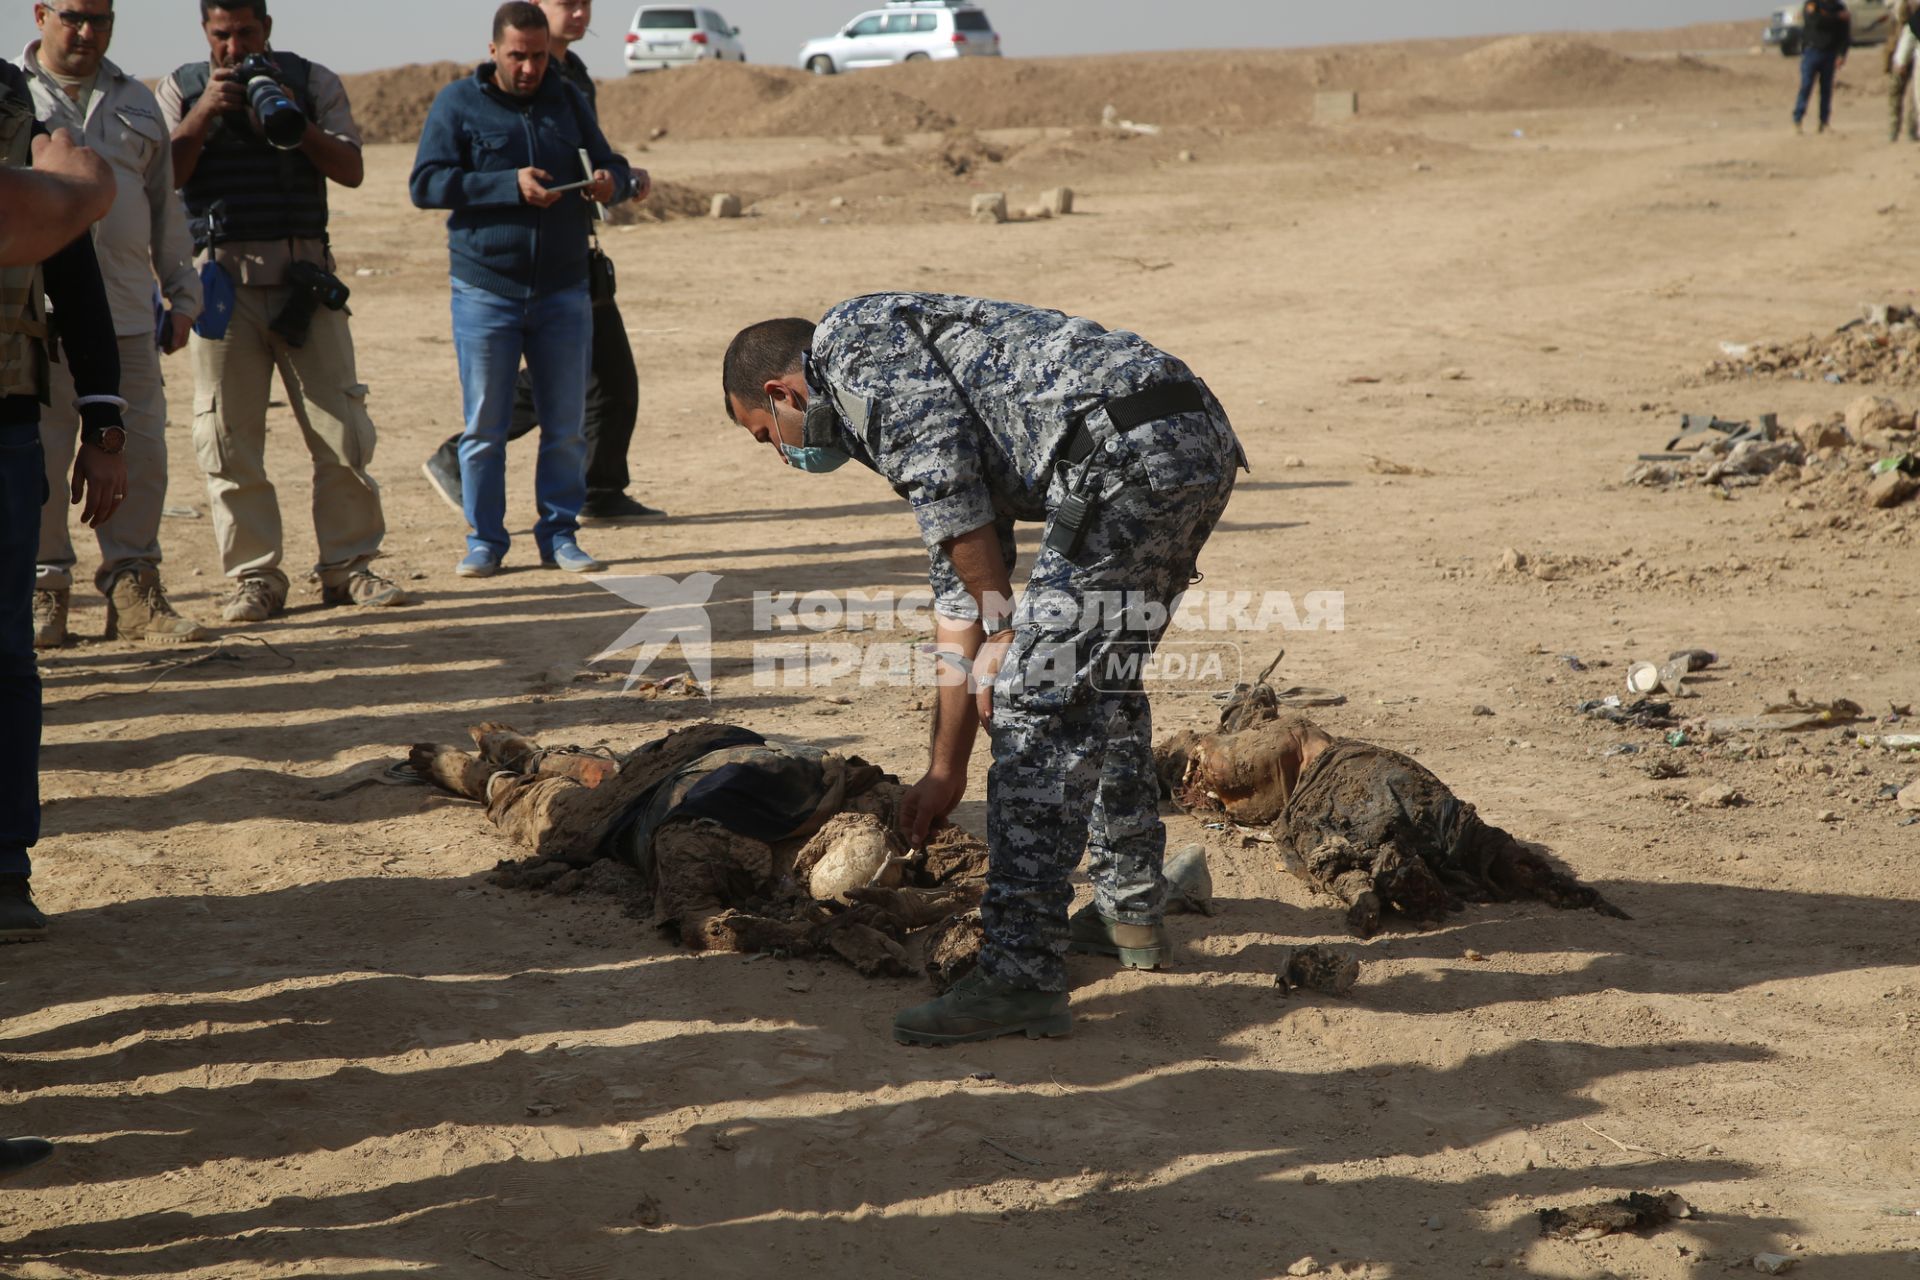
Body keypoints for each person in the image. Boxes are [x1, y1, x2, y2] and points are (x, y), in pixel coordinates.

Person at [721, 294, 1246, 1046]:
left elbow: (967, 556)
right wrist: (944, 770)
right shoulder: (893, 371)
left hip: (1125, 456)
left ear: (780, 393)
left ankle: (1020, 974)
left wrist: (1007, 634)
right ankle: (1129, 908)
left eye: (767, 436)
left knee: (1035, 700)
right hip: (1182, 438)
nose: (783, 454)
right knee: (1097, 675)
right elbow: (959, 593)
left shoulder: (854, 353)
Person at [158, 0, 406, 623]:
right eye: (223, 35)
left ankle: (348, 568)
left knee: (342, 432)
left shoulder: (311, 80)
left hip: (304, 281)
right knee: (227, 438)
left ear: (267, 29)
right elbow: (161, 179)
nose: (236, 48)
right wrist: (205, 113)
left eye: (246, 32)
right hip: (221, 286)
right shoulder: (181, 89)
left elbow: (350, 168)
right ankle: (255, 578)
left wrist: (295, 124)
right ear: (205, 34)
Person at [409, 2, 638, 577]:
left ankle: (559, 536)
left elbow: (607, 158)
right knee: (485, 428)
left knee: (564, 427)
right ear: (494, 51)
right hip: (486, 291)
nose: (531, 67)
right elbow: (426, 183)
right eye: (519, 56)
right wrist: (505, 185)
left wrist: (609, 179)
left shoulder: (567, 98)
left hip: (564, 290)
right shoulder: (457, 103)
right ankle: (485, 542)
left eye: (538, 55)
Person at [22, 0, 208, 648]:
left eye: (101, 17)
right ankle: (43, 592)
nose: (87, 29)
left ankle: (134, 587)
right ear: (41, 14)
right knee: (38, 459)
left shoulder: (137, 101)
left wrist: (182, 291)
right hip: (33, 321)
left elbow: (165, 206)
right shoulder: (12, 96)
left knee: (138, 457)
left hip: (127, 312)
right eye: (73, 14)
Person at [3, 63, 128, 946]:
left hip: (5, 423)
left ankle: (6, 867)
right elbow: (62, 210)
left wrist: (103, 421)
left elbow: (75, 281)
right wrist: (75, 179)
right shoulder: (46, 150)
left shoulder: (18, 115)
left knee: (6, 653)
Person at [1795, 0, 1852, 134]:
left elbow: (1844, 33)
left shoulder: (1839, 7)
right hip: (1812, 51)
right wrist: (1836, 17)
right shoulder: (1813, 4)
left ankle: (1824, 122)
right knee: (1806, 85)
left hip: (1830, 53)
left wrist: (1842, 54)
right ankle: (1798, 119)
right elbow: (1816, 21)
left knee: (1826, 89)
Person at [1890, 0, 1919, 141]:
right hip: (1903, 49)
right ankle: (1894, 129)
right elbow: (1907, 26)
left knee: (1915, 97)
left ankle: (1912, 130)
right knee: (1896, 91)